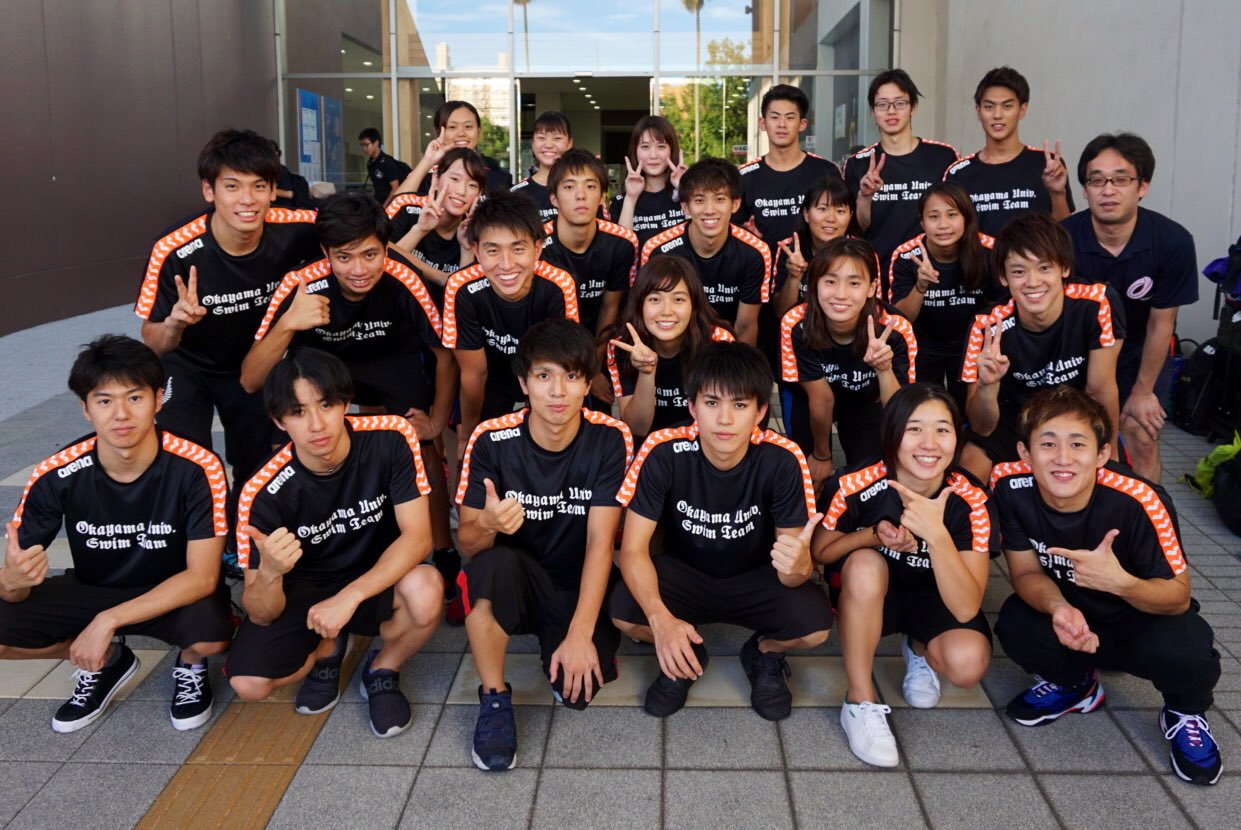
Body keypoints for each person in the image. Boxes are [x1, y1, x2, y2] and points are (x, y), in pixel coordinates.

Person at [241, 193, 460, 620]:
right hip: (323, 368)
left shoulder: (403, 276)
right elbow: (250, 378)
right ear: (325, 253)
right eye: (344, 257)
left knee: (420, 443)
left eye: (370, 255)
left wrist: (436, 420)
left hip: (390, 361)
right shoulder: (301, 283)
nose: (359, 269)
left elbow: (444, 356)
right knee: (288, 444)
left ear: (386, 249)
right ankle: (300, 553)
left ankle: (443, 549)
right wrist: (289, 323)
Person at [992, 386, 1222, 786]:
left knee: (1187, 649)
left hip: (1141, 620)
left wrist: (1120, 583)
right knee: (1015, 621)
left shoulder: (1141, 499)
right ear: (1025, 453)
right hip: (1075, 618)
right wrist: (1059, 609)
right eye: (1048, 443)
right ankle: (1076, 685)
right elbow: (1025, 573)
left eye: (1077, 444)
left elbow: (1178, 597)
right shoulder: (1009, 485)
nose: (1063, 458)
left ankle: (1184, 712)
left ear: (1101, 454)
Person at [1, 335, 232, 733]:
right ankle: (106, 660)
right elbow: (15, 588)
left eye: (134, 398)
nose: (121, 414)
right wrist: (11, 581)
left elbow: (203, 577)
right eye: (104, 401)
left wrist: (107, 620)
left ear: (158, 400)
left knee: (211, 636)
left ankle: (191, 665)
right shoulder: (56, 472)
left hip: (173, 589)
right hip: (94, 586)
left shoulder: (197, 467)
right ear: (85, 409)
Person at [609, 342, 832, 721]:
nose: (725, 419)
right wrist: (662, 622)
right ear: (692, 407)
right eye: (712, 403)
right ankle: (685, 650)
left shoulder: (783, 458)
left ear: (760, 411)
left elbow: (792, 573)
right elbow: (632, 550)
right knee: (623, 610)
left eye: (740, 405)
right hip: (685, 573)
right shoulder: (663, 450)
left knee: (815, 626)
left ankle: (764, 653)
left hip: (755, 575)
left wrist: (800, 566)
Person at [228, 349, 444, 739]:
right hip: (304, 587)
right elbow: (260, 613)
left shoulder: (391, 435)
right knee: (248, 684)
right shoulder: (260, 493)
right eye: (298, 412)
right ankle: (326, 652)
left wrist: (350, 597)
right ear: (279, 422)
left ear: (345, 403)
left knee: (427, 589)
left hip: (373, 571)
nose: (316, 424)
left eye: (326, 405)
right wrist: (271, 573)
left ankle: (383, 668)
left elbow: (418, 537)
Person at [456, 320, 633, 771]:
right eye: (543, 375)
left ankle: (570, 641)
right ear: (523, 383)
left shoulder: (610, 437)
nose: (558, 391)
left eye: (571, 376)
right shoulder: (491, 438)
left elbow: (601, 542)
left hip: (576, 577)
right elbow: (469, 544)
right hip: (515, 573)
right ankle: (494, 698)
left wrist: (579, 636)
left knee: (579, 693)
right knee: (487, 568)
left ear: (588, 384)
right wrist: (489, 524)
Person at [814, 384, 996, 767]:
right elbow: (820, 552)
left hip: (935, 596)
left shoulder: (971, 499)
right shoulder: (854, 483)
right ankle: (859, 699)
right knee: (864, 565)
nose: (929, 443)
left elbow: (965, 608)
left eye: (942, 429)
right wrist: (871, 535)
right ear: (892, 432)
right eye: (914, 429)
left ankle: (918, 647)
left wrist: (936, 534)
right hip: (873, 595)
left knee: (966, 663)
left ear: (957, 438)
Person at [135, 128, 320, 494]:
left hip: (255, 362)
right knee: (186, 463)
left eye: (258, 186)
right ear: (209, 190)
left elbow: (359, 235)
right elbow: (152, 342)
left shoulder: (297, 227)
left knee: (257, 468)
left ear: (273, 190)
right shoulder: (172, 249)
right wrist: (174, 324)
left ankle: (243, 528)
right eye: (232, 186)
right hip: (187, 365)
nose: (247, 200)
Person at [1062, 133, 1197, 483]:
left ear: (1142, 187)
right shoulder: (1062, 239)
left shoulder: (1173, 242)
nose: (1108, 190)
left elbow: (1160, 325)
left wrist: (1142, 392)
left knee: (1141, 432)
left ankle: (1148, 513)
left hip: (1139, 351)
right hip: (1078, 350)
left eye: (1120, 179)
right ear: (1085, 189)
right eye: (1097, 180)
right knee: (1073, 435)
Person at [960, 212, 1126, 481]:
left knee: (1111, 481)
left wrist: (1110, 462)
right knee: (968, 473)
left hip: (1075, 418)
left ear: (1064, 268)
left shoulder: (1097, 303)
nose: (1033, 281)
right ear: (1003, 277)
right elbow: (981, 427)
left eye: (1044, 268)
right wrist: (987, 386)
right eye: (1018, 271)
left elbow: (1101, 390)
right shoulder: (986, 326)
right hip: (1013, 420)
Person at [441, 193, 580, 451]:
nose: (506, 265)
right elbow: (474, 373)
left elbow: (560, 364)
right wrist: (467, 437)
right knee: (479, 449)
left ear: (537, 249)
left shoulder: (559, 284)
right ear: (476, 250)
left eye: (518, 249)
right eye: (493, 250)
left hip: (542, 376)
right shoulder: (461, 287)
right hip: (491, 379)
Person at [779, 237, 917, 487]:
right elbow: (821, 398)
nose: (840, 294)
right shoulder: (796, 323)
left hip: (867, 402)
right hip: (811, 400)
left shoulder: (896, 328)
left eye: (854, 283)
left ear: (871, 288)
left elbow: (898, 408)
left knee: (873, 478)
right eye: (830, 281)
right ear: (815, 284)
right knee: (805, 474)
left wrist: (884, 369)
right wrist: (822, 456)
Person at [843, 69, 958, 294]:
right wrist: (865, 196)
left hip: (934, 274)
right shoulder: (858, 164)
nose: (891, 111)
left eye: (899, 103)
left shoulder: (943, 157)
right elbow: (857, 228)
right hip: (878, 275)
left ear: (913, 107)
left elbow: (958, 217)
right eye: (882, 104)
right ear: (873, 112)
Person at [640, 157, 771, 346]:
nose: (710, 210)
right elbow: (651, 315)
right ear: (686, 207)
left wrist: (736, 365)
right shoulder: (657, 249)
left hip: (727, 352)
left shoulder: (756, 252)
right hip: (676, 346)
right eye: (699, 200)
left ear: (735, 204)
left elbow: (745, 326)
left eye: (720, 199)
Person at [889, 182, 997, 406]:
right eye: (934, 216)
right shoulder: (907, 256)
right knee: (923, 407)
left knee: (968, 410)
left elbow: (1003, 308)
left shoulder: (990, 250)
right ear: (922, 222)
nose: (943, 225)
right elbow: (901, 320)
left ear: (966, 217)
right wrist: (921, 286)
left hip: (973, 343)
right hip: (923, 345)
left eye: (952, 215)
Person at [604, 257, 735, 440]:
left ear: (694, 304)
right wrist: (647, 372)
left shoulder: (719, 341)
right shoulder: (624, 345)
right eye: (655, 299)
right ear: (640, 304)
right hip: (649, 444)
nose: (666, 311)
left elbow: (726, 418)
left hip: (704, 441)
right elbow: (637, 428)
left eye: (678, 299)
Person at [943, 67, 1073, 236]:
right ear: (978, 112)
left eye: (1007, 106)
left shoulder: (1047, 165)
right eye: (989, 107)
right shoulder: (959, 173)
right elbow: (950, 235)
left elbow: (1064, 232)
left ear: (1022, 110)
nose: (997, 115)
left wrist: (1057, 193)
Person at [540, 149, 637, 340]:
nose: (581, 195)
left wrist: (596, 355)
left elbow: (610, 307)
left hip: (598, 341)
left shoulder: (621, 243)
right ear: (554, 199)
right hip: (549, 341)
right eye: (569, 187)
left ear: (602, 197)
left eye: (590, 186)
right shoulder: (536, 244)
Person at [734, 83, 844, 247]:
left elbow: (841, 221)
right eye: (775, 117)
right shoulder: (745, 176)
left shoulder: (825, 171)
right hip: (763, 262)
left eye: (790, 117)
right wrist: (746, 235)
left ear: (802, 124)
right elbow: (733, 229)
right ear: (762, 123)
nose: (782, 124)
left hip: (816, 262)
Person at [386, 148, 486, 307]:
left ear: (479, 194)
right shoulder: (407, 206)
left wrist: (466, 249)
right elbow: (383, 259)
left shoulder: (479, 230)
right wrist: (420, 230)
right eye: (455, 179)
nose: (462, 191)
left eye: (472, 185)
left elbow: (465, 297)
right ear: (437, 179)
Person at [771, 177, 860, 318]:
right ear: (806, 214)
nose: (831, 218)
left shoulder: (861, 253)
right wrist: (794, 277)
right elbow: (782, 314)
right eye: (822, 209)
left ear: (850, 215)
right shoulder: (789, 249)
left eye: (840, 211)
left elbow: (871, 309)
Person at [392, 100, 513, 198]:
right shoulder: (429, 176)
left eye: (468, 126)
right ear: (438, 132)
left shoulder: (497, 176)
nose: (461, 133)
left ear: (479, 132)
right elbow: (397, 206)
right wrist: (427, 161)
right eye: (452, 127)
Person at [611, 115, 687, 248]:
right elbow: (622, 250)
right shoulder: (621, 203)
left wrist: (685, 191)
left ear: (672, 150)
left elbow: (698, 242)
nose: (653, 155)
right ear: (635, 150)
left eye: (661, 147)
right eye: (645, 147)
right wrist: (631, 198)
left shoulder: (685, 196)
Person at [511, 112, 575, 222]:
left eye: (557, 138)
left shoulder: (583, 190)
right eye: (541, 138)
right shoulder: (516, 194)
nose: (549, 145)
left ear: (569, 143)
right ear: (532, 143)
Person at [358, 127, 411, 205]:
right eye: (362, 145)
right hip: (379, 203)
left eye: (366, 145)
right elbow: (376, 187)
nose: (364, 148)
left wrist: (385, 206)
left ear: (376, 143)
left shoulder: (387, 162)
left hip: (390, 205)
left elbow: (395, 188)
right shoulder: (370, 163)